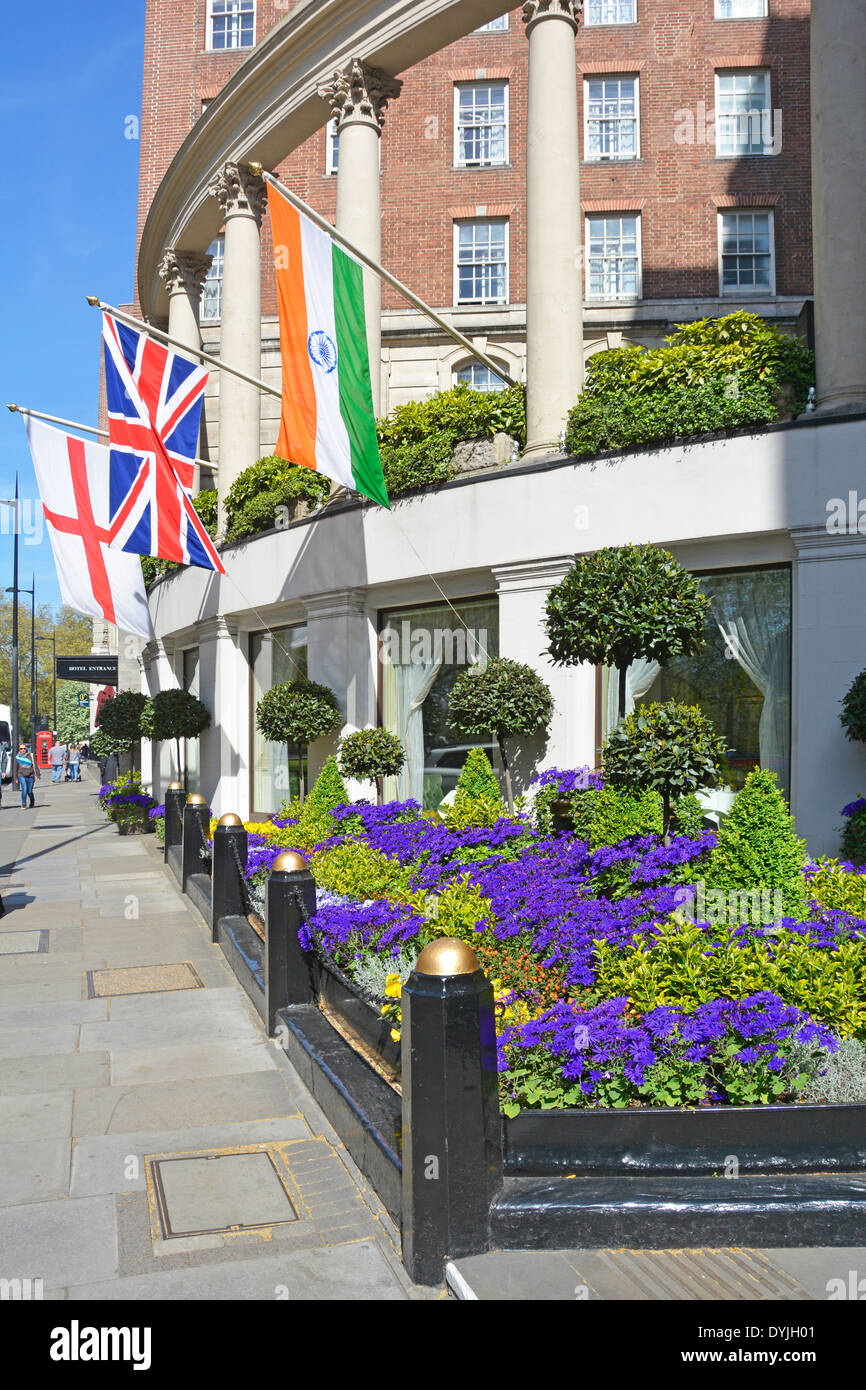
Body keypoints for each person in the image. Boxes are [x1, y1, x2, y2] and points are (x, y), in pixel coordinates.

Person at [15, 742, 40, 809]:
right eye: (21, 749)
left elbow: (35, 765)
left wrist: (38, 775)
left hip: (30, 775)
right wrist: (15, 777)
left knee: (29, 791)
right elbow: (15, 768)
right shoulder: (17, 757)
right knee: (24, 789)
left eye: (24, 748)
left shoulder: (30, 755)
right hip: (21, 775)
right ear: (19, 749)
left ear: (26, 749)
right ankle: (23, 803)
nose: (23, 750)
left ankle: (32, 801)